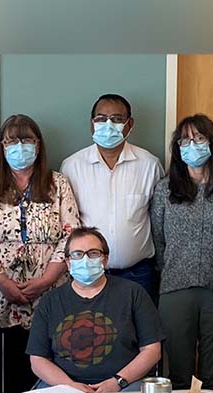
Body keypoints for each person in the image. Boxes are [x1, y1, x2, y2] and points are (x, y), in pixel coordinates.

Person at [0, 114, 80, 393]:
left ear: (38, 145)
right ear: (2, 147)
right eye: (12, 141)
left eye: (26, 140)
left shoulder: (58, 184)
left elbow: (71, 233)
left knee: (45, 365)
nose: (20, 147)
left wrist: (46, 279)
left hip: (49, 290)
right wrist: (2, 282)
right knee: (2, 370)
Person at [150, 114, 213, 391]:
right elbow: (158, 238)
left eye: (199, 138)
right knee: (178, 375)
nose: (192, 145)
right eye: (185, 140)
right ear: (177, 148)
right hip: (175, 289)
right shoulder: (165, 188)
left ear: (212, 142)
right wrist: (172, 270)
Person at [27, 227, 164, 393]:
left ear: (105, 260)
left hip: (126, 385)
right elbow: (38, 360)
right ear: (69, 263)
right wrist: (70, 386)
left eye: (93, 253)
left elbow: (152, 350)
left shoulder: (133, 293)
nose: (85, 260)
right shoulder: (50, 301)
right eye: (77, 254)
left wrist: (117, 382)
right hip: (63, 387)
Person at [60, 94, 163, 301]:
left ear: (129, 124)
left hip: (139, 274)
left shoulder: (149, 165)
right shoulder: (72, 166)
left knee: (141, 331)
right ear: (92, 125)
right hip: (88, 273)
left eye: (117, 119)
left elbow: (159, 219)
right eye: (101, 119)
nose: (108, 125)